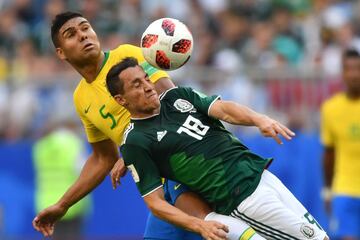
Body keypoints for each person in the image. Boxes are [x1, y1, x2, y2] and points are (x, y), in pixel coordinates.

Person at [31, 11, 262, 240]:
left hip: (191, 168)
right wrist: (63, 205)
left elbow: (175, 104)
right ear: (61, 53)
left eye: (85, 27)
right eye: (71, 34)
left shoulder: (126, 55)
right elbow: (102, 159)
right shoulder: (81, 98)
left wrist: (132, 148)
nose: (83, 35)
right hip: (160, 186)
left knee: (225, 232)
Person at [106, 57, 330, 240]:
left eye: (146, 79)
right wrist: (198, 225)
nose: (147, 87)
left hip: (261, 175)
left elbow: (223, 109)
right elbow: (155, 202)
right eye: (136, 85)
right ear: (121, 100)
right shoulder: (135, 141)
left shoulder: (177, 97)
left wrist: (258, 119)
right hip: (240, 197)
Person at [321, 49, 360, 239]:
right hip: (345, 190)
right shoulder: (331, 109)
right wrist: (328, 191)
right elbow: (329, 154)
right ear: (342, 74)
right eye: (349, 69)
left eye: (358, 69)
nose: (354, 74)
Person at [33, 120, 91, 240]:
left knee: (52, 236)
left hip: (46, 203)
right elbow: (84, 169)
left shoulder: (40, 147)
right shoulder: (73, 144)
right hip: (72, 201)